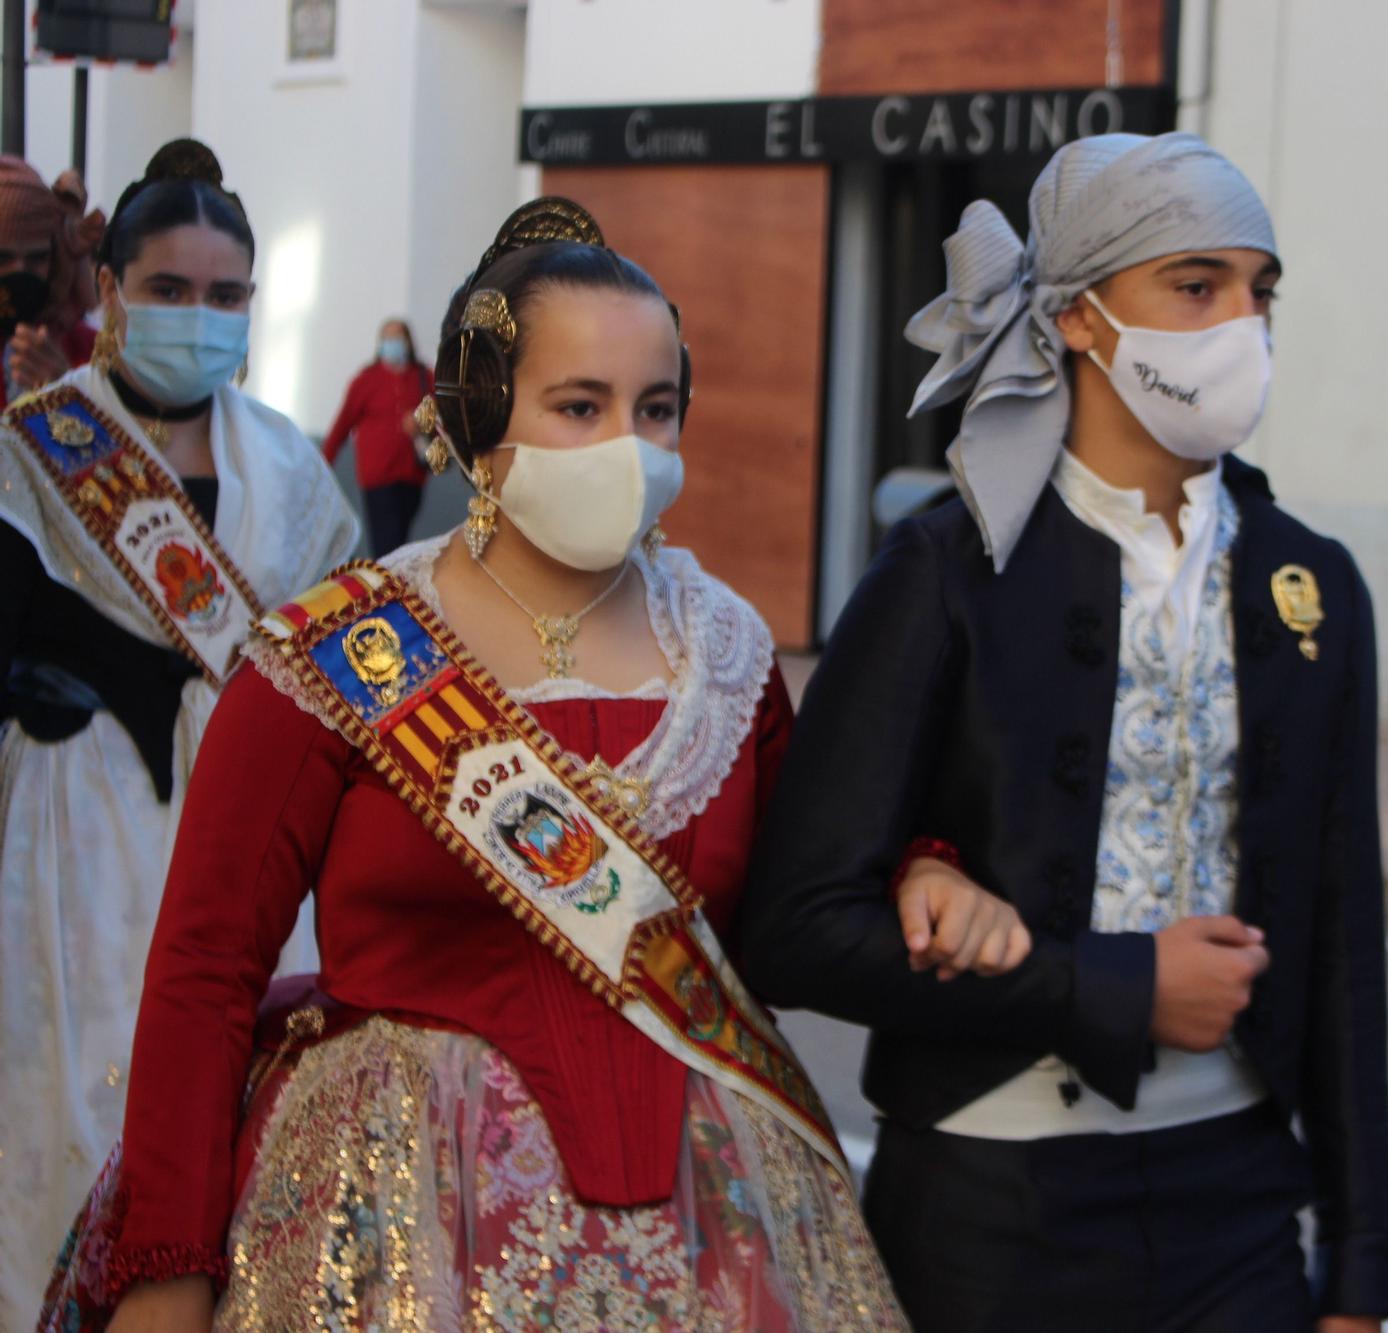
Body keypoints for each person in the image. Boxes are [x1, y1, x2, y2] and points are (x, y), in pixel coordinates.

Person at [38, 198, 909, 1332]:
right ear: (478, 416)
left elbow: (797, 918)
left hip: (715, 1224)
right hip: (392, 1221)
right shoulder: (338, 651)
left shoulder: (729, 654)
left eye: (654, 410)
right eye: (578, 407)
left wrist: (927, 866)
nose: (627, 451)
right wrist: (168, 1265)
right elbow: (204, 970)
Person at [739, 132, 1388, 1331]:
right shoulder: (946, 568)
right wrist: (1113, 983)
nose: (1241, 326)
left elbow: (1340, 937)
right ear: (1084, 316)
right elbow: (794, 928)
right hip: (995, 1212)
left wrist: (1361, 1262)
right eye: (1194, 286)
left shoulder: (1310, 586)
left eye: (1259, 293)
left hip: (1238, 1206)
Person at [0, 138, 359, 1328]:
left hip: (251, 834)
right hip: (82, 824)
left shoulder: (293, 473)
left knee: (231, 1105)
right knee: (74, 1093)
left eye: (223, 296)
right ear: (110, 292)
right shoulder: (33, 446)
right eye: (167, 290)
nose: (197, 317)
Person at [321, 317, 434, 553]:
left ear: (408, 342)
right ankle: (387, 589)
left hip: (413, 475)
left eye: (398, 338)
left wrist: (421, 423)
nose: (394, 343)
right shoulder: (366, 380)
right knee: (386, 545)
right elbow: (342, 424)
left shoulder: (424, 377)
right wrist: (322, 464)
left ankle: (393, 587)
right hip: (378, 477)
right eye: (388, 338)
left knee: (401, 541)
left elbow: (443, 417)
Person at [0, 156, 105, 398]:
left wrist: (66, 390)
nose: (21, 271)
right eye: (3, 259)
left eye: (38, 258)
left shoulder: (90, 348)